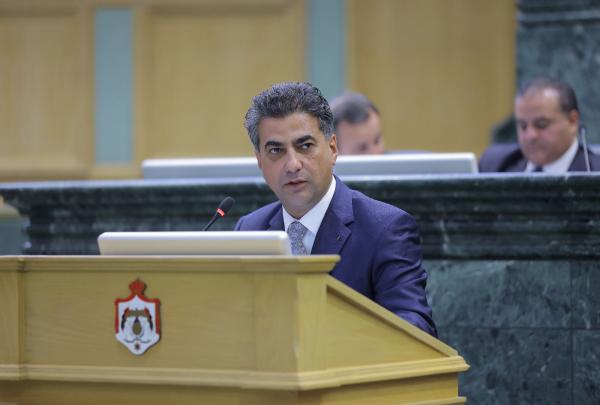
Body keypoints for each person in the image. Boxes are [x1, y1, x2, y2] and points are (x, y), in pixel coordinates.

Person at [235, 82, 436, 336]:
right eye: (276, 150)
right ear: (259, 161)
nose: (293, 164)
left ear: (332, 149)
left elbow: (415, 329)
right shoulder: (250, 229)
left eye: (305, 146)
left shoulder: (385, 229)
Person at [479, 77, 600, 172]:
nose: (530, 136)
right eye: (523, 126)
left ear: (572, 121)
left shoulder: (594, 171)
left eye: (542, 125)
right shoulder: (495, 165)